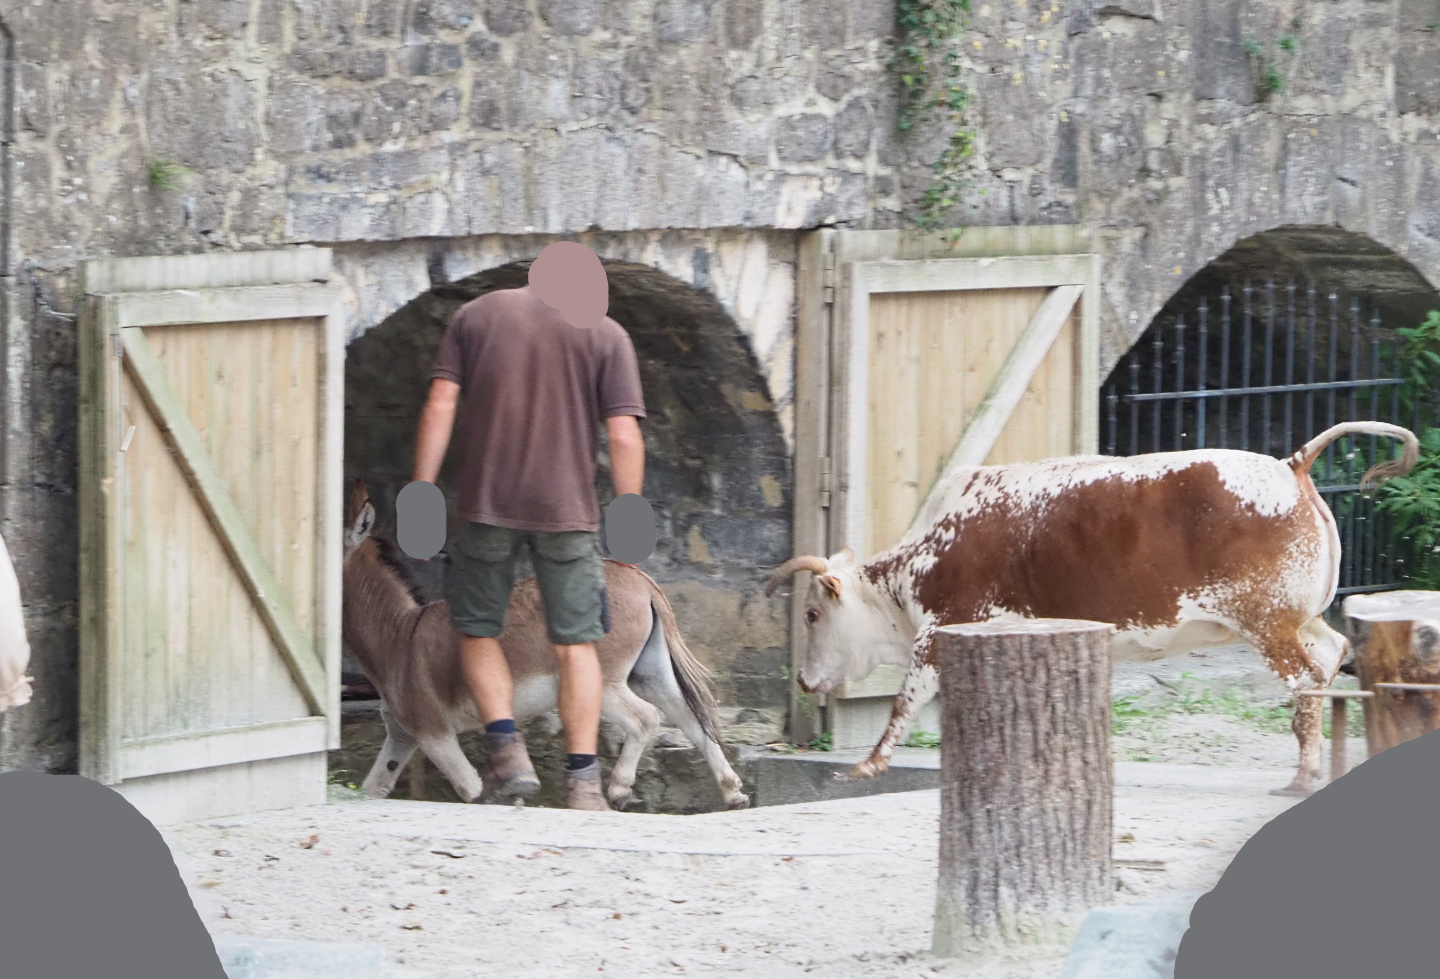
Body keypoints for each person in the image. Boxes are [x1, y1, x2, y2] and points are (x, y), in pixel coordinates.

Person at [411, 242, 646, 811]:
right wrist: (629, 509)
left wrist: (421, 487)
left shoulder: (477, 316)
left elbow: (441, 403)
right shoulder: (606, 334)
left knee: (477, 629)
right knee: (577, 645)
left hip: (486, 505)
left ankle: (507, 755)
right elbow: (622, 436)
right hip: (568, 515)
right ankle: (585, 784)